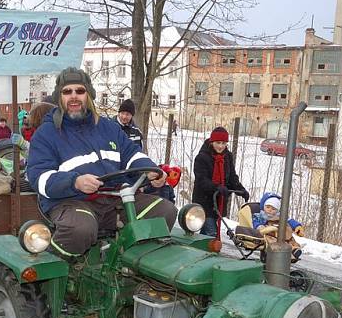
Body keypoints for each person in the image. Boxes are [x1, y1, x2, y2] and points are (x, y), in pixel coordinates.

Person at [27, 67, 177, 259]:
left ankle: (125, 263)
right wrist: (75, 182)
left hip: (116, 199)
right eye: (67, 92)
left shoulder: (108, 128)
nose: (74, 97)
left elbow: (131, 154)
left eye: (80, 91)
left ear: (89, 94)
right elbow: (39, 177)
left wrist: (151, 171)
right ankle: (58, 266)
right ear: (59, 97)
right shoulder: (46, 134)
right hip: (71, 201)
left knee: (165, 211)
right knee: (81, 228)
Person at [192, 126, 249, 237]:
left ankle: (198, 250)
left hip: (219, 201)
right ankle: (209, 251)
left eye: (224, 143)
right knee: (211, 233)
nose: (221, 146)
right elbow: (201, 180)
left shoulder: (227, 156)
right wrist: (216, 186)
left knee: (205, 235)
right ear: (212, 142)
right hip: (204, 201)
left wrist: (240, 189)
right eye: (218, 143)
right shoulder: (202, 157)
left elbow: (232, 176)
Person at [251, 193, 304, 260]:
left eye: (273, 209)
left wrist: (297, 226)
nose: (270, 210)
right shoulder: (259, 216)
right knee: (273, 242)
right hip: (268, 234)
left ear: (277, 210)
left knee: (290, 240)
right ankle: (285, 254)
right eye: (268, 207)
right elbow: (255, 223)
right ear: (264, 206)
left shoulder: (280, 216)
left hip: (282, 235)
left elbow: (290, 221)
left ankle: (294, 250)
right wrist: (261, 228)